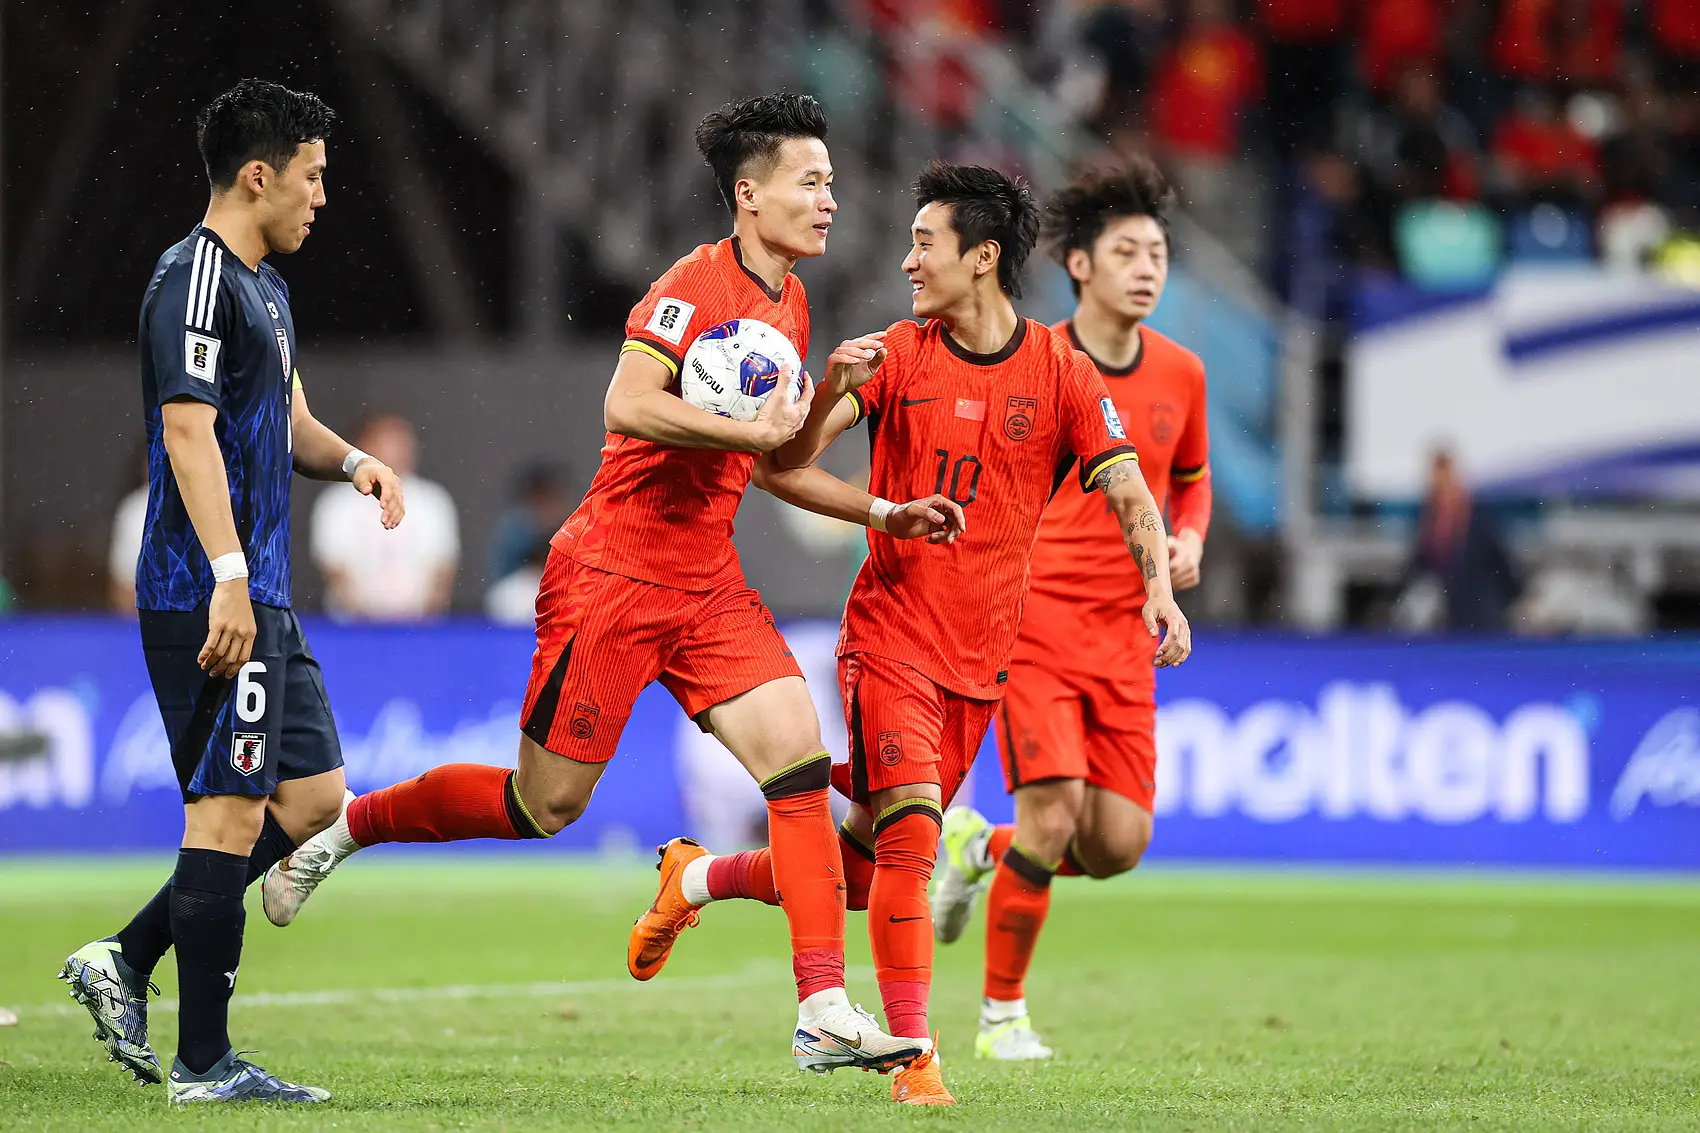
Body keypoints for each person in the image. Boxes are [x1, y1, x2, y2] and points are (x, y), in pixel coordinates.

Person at [260, 94, 964, 1076]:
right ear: (748, 193)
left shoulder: (792, 304)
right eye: (810, 182)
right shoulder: (691, 286)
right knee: (541, 805)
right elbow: (626, 403)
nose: (828, 200)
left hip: (706, 579)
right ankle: (348, 826)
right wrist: (751, 427)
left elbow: (774, 460)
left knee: (799, 766)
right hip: (611, 575)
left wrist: (862, 465)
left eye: (831, 183)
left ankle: (822, 1008)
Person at [627, 161, 1193, 1106]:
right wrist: (831, 394)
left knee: (858, 872)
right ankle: (916, 1059)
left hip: (982, 661)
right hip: (889, 640)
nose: (907, 261)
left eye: (925, 243)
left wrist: (1158, 591)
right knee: (912, 843)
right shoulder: (894, 353)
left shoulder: (1061, 371)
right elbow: (781, 467)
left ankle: (697, 879)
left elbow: (1130, 487)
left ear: (982, 257)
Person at [58, 79, 405, 1104]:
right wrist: (227, 577)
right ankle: (204, 1064)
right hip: (206, 592)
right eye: (313, 176)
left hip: (262, 594)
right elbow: (185, 429)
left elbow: (289, 423)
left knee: (314, 798)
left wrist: (354, 463)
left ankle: (125, 957)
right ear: (258, 174)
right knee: (226, 811)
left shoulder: (266, 289)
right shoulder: (193, 280)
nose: (322, 197)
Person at [930, 158, 1212, 1061]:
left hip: (1127, 632)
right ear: (1080, 265)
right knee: (1053, 816)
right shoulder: (1036, 361)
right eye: (1126, 251)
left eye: (1157, 253)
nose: (1147, 268)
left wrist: (1189, 537)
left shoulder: (1183, 374)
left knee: (1117, 845)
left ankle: (979, 850)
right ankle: (1001, 1018)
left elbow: (1191, 479)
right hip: (1036, 620)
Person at [310, 413, 458, 620]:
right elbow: (335, 569)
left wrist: (423, 618)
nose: (395, 451)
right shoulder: (337, 502)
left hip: (420, 625)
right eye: (386, 443)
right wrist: (365, 620)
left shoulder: (432, 500)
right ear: (363, 446)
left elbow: (442, 570)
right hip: (351, 626)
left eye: (401, 443)